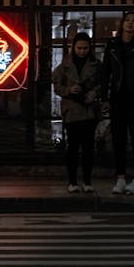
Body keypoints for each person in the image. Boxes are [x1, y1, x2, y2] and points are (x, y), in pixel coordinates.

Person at [101, 11, 134, 195]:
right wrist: (104, 97)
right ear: (122, 24)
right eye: (128, 21)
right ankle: (120, 178)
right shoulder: (113, 45)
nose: (130, 24)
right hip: (117, 97)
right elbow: (106, 72)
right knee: (118, 140)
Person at [52, 32, 102, 193]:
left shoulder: (96, 65)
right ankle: (72, 181)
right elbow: (57, 85)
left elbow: (103, 83)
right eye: (79, 48)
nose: (82, 51)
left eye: (85, 48)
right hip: (72, 110)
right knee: (73, 147)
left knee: (88, 148)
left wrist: (94, 92)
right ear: (73, 47)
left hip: (88, 110)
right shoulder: (65, 66)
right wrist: (69, 90)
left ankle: (87, 181)